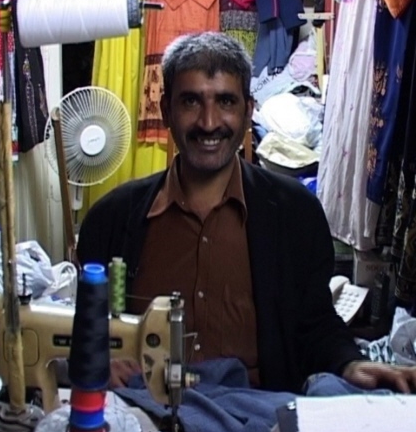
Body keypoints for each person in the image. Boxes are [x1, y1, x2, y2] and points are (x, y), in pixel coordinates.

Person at [77, 31, 416, 395]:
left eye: (225, 101)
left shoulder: (295, 214)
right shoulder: (111, 221)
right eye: (191, 101)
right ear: (166, 111)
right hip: (145, 411)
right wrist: (97, 359)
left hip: (259, 413)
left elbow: (315, 325)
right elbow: (87, 330)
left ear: (248, 110)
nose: (209, 122)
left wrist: (351, 363)